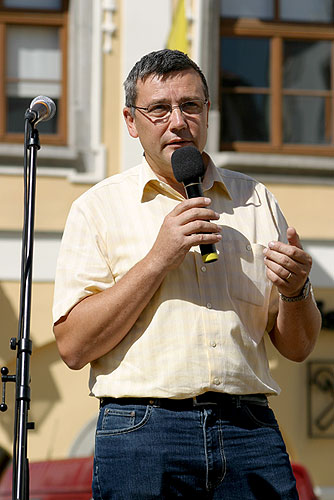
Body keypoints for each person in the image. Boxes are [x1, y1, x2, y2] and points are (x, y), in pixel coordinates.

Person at [53, 49, 321, 499]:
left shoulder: (256, 201)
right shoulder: (98, 208)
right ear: (131, 121)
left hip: (248, 430)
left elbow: (298, 346)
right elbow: (73, 346)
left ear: (207, 112)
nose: (177, 121)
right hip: (144, 432)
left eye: (190, 106)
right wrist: (159, 258)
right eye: (159, 108)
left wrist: (296, 292)